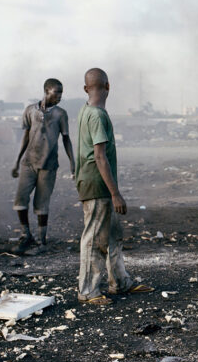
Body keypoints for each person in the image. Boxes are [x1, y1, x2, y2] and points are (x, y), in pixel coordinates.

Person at [75, 68, 153, 305]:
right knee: (94, 238)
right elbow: (99, 157)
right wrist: (115, 193)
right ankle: (87, 290)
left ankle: (119, 282)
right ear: (108, 87)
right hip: (98, 185)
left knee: (113, 235)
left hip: (96, 183)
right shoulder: (97, 115)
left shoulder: (85, 111)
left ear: (86, 88)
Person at [12, 78, 75, 253]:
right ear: (47, 91)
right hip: (28, 163)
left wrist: (72, 162)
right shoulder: (30, 111)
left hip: (48, 165)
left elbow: (66, 139)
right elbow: (25, 136)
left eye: (62, 93)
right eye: (57, 92)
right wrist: (17, 162)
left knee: (41, 203)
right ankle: (26, 235)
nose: (60, 96)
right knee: (20, 200)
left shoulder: (60, 114)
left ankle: (41, 242)